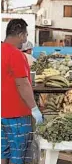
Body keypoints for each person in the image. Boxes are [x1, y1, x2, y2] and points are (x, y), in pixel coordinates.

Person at [1, 19, 43, 164]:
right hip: (17, 115)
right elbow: (22, 84)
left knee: (3, 153)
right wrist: (34, 108)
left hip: (2, 114)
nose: (25, 39)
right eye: (25, 35)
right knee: (19, 154)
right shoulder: (16, 54)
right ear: (19, 34)